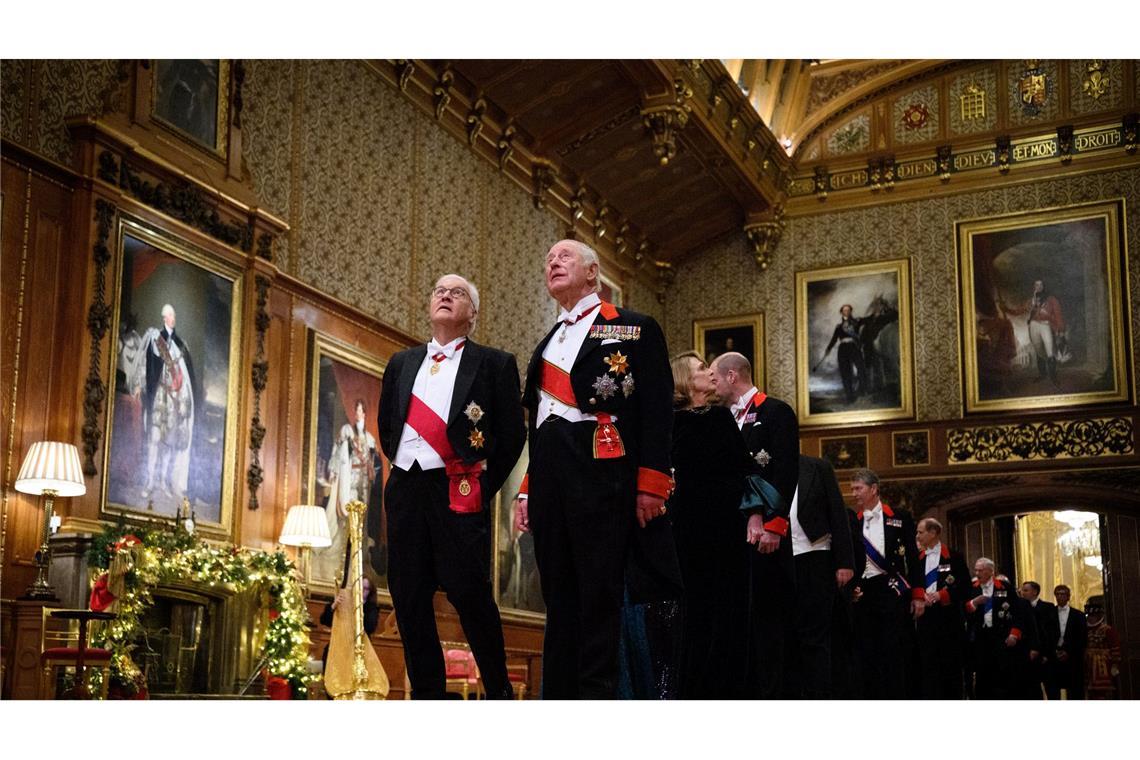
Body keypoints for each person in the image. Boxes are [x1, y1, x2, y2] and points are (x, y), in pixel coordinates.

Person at [514, 239, 678, 699]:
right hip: (550, 475)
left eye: (564, 257)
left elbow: (656, 410)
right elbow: (540, 421)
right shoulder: (547, 343)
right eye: (548, 259)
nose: (552, 262)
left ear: (593, 273)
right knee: (558, 597)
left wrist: (652, 483)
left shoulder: (633, 327)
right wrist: (526, 489)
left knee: (598, 597)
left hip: (602, 470)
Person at [377, 273, 525, 699]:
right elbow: (388, 424)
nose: (444, 295)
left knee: (471, 598)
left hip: (458, 493)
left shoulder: (494, 363)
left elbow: (513, 436)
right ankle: (428, 699)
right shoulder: (401, 363)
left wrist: (480, 489)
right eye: (438, 290)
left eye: (456, 292)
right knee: (408, 599)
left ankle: (499, 694)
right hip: (406, 491)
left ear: (472, 314)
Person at [709, 350, 798, 697]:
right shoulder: (720, 418)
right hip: (732, 534)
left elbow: (786, 471)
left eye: (715, 377)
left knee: (767, 619)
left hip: (767, 534)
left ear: (732, 376)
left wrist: (775, 523)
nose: (712, 384)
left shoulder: (775, 411)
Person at [667, 351, 753, 699]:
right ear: (686, 382)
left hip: (709, 531)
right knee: (704, 615)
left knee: (711, 614)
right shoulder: (688, 422)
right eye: (702, 368)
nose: (710, 372)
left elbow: (739, 470)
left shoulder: (704, 420)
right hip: (699, 533)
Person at [847, 468, 923, 699]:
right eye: (852, 489)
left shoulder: (899, 517)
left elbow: (913, 557)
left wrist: (918, 595)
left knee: (893, 649)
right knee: (866, 649)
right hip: (864, 593)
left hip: (892, 591)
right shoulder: (852, 520)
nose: (854, 494)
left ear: (873, 489)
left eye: (858, 488)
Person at [787, 454, 856, 698]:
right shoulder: (766, 463)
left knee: (815, 637)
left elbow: (837, 513)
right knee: (785, 635)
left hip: (815, 556)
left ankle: (818, 696)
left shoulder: (817, 467)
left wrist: (844, 562)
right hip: (779, 560)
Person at [314, 399, 382, 583]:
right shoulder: (346, 431)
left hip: (363, 484)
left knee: (361, 523)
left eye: (362, 411)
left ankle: (358, 559)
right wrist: (336, 473)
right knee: (346, 519)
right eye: (357, 410)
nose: (359, 414)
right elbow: (339, 452)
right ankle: (343, 558)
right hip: (348, 480)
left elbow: (374, 463)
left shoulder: (369, 438)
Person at [140, 304, 198, 503]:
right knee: (154, 440)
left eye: (174, 315)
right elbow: (149, 368)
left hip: (174, 401)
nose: (173, 318)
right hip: (159, 397)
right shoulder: (156, 339)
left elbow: (186, 378)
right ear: (164, 317)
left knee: (169, 444)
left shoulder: (181, 345)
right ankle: (150, 481)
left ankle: (163, 481)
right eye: (171, 315)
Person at [964, 557, 1038, 699]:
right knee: (982, 675)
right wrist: (974, 602)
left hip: (1001, 636)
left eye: (981, 570)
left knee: (1002, 674)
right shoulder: (972, 587)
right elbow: (963, 609)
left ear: (990, 571)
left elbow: (1018, 612)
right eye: (976, 570)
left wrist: (1014, 634)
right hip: (981, 637)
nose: (977, 573)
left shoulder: (1004, 587)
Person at [913, 517, 971, 699]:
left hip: (949, 621)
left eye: (921, 532)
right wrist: (920, 597)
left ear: (933, 533)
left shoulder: (954, 557)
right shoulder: (917, 559)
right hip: (924, 619)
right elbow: (912, 584)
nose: (917, 536)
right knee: (927, 667)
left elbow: (965, 587)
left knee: (950, 667)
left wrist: (940, 596)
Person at [999, 279, 1066, 385]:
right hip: (1034, 326)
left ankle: (1053, 377)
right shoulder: (1031, 301)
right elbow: (1018, 311)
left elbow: (1058, 315)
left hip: (1046, 325)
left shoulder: (1051, 300)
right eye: (1036, 285)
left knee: (1049, 350)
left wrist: (1061, 330)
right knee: (1039, 350)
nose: (1038, 287)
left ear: (1044, 286)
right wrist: (1006, 309)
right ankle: (1043, 374)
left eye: (1040, 285)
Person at [817, 304, 866, 403]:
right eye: (844, 310)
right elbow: (834, 339)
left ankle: (862, 391)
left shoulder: (857, 322)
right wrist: (828, 349)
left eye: (848, 310)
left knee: (861, 368)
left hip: (854, 347)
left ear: (850, 311)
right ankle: (850, 396)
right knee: (845, 372)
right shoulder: (839, 327)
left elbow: (867, 320)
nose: (846, 312)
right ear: (841, 312)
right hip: (843, 349)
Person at [1019, 580, 1060, 698]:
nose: (1022, 593)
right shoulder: (1021, 608)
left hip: (1047, 657)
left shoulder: (1048, 607)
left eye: (1026, 590)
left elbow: (1052, 633)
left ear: (1035, 592)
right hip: (1029, 656)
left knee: (1052, 690)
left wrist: (1045, 654)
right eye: (1022, 590)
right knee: (1033, 691)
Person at [1046, 584, 1087, 700]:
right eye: (1057, 594)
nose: (1060, 597)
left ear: (1068, 597)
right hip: (1054, 657)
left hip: (1073, 657)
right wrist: (1054, 651)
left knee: (1075, 691)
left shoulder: (1078, 615)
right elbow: (1046, 635)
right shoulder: (1049, 614)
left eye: (1063, 594)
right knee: (1053, 691)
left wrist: (1068, 652)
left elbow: (1082, 638)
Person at [1083, 595, 1120, 699]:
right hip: (1086, 663)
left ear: (1099, 616)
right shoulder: (1084, 629)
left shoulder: (1107, 630)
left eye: (1093, 616)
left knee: (1102, 691)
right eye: (1089, 615)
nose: (1091, 618)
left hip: (1102, 665)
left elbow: (1115, 647)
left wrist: (1115, 665)